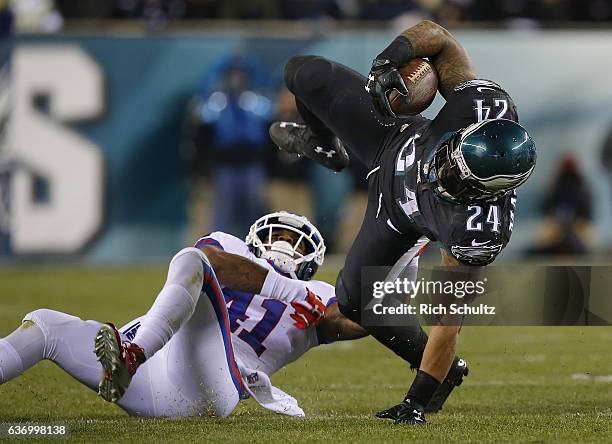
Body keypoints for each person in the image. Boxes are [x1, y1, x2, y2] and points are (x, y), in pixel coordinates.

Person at [269, 20, 537, 424]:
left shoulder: (479, 230)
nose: (441, 171)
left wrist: (417, 401)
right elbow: (441, 39)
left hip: (397, 217)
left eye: (454, 178)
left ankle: (445, 375)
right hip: (392, 138)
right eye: (450, 158)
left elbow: (448, 321)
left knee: (354, 301)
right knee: (304, 72)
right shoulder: (483, 106)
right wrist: (390, 58)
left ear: (483, 192)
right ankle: (324, 143)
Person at [0, 212, 366, 417]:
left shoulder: (324, 295)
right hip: (151, 375)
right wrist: (294, 293)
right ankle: (131, 357)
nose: (286, 246)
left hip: (213, 386)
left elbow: (368, 318)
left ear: (313, 260)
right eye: (281, 236)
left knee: (193, 263)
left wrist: (404, 251)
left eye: (298, 243)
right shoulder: (230, 246)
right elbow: (214, 265)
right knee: (46, 325)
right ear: (258, 236)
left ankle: (130, 356)